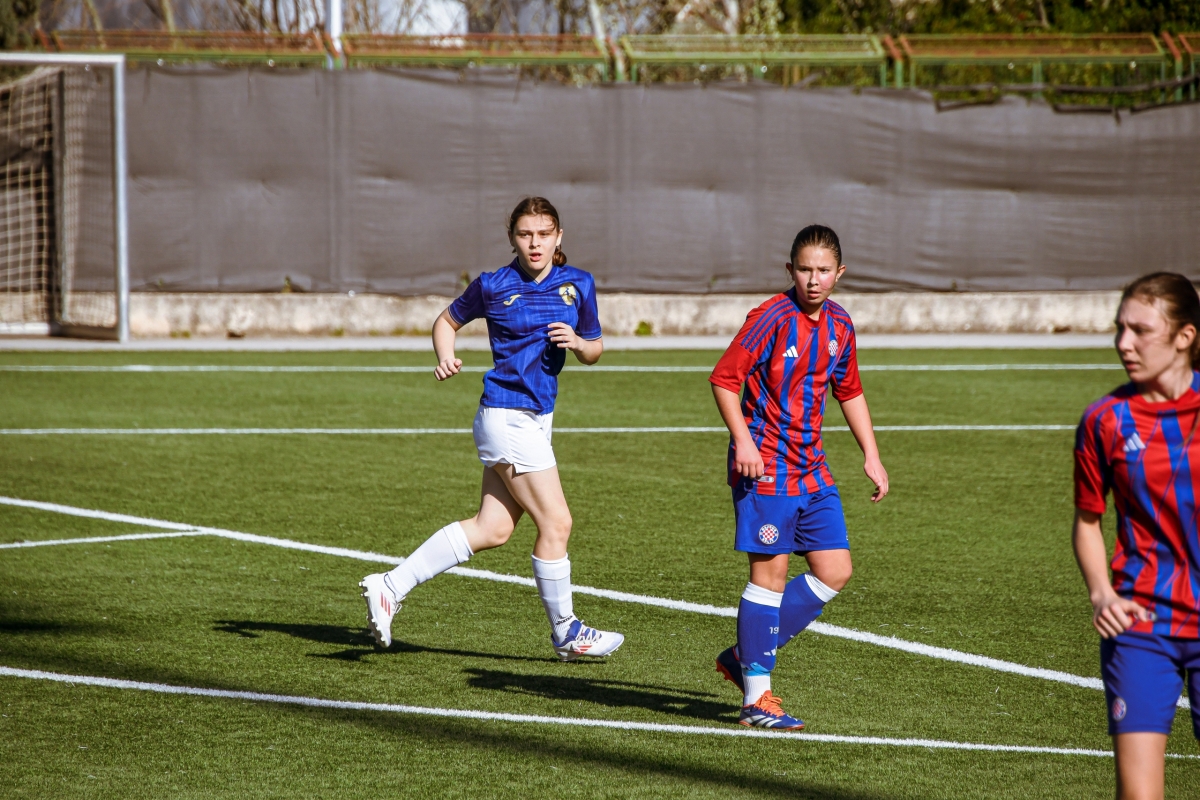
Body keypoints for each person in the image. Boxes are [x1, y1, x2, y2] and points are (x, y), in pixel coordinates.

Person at [359, 197, 624, 661]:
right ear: (513, 239)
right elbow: (446, 321)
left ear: (559, 236)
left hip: (536, 418)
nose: (535, 243)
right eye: (525, 234)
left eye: (544, 233)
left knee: (492, 528)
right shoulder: (493, 285)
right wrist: (445, 355)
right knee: (557, 522)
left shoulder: (578, 283)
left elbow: (596, 348)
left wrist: (580, 344)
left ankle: (390, 584)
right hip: (506, 414)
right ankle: (566, 631)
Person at [708, 224, 888, 730]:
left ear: (839, 273)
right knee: (769, 579)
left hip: (813, 470)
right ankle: (756, 699)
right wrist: (743, 441)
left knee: (835, 571)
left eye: (824, 271)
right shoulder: (769, 318)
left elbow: (849, 390)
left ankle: (742, 655)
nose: (814, 280)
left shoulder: (840, 325)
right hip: (765, 467)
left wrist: (871, 455)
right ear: (790, 270)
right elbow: (724, 380)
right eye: (804, 269)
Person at [1073, 272, 1200, 800]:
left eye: (1140, 330)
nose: (1123, 343)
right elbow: (1086, 520)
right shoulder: (1104, 420)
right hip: (1141, 625)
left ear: (1184, 337)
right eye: (1118, 328)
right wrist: (1102, 592)